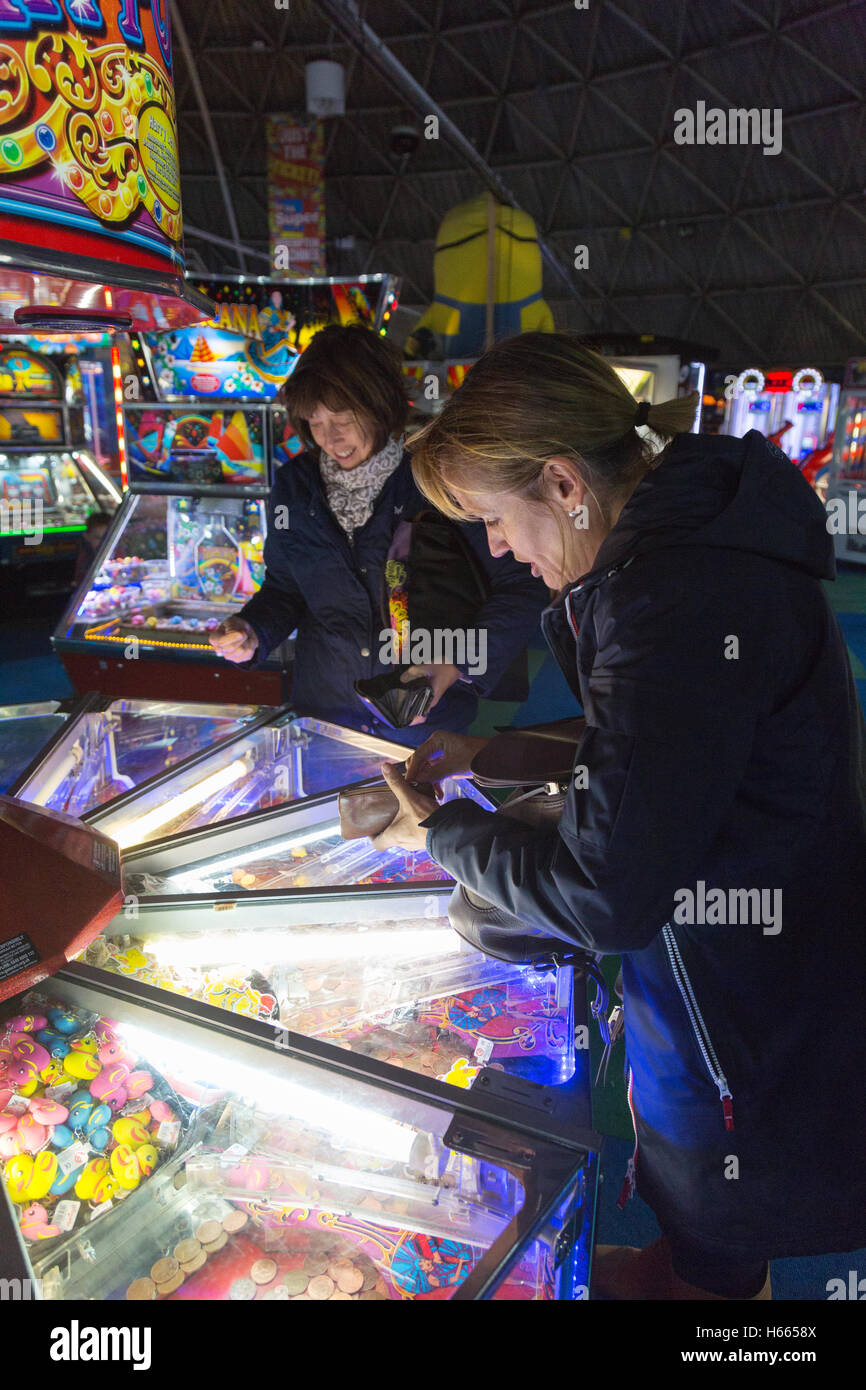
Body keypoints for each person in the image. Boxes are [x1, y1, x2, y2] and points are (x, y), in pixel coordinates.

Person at [372, 331, 866, 1300]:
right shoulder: (682, 553)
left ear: (561, 482)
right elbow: (648, 745)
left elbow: (607, 896)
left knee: (723, 1224)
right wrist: (489, 753)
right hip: (746, 965)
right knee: (708, 1233)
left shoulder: (673, 596)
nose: (498, 548)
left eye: (494, 518)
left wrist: (439, 834)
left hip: (747, 996)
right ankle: (693, 1267)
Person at [209, 323, 548, 744]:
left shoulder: (436, 478)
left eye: (343, 419)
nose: (329, 438)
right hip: (323, 714)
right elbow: (285, 587)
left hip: (421, 720)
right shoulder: (294, 485)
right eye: (314, 422)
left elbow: (520, 585)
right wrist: (252, 629)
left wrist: (456, 663)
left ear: (379, 405)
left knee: (419, 811)